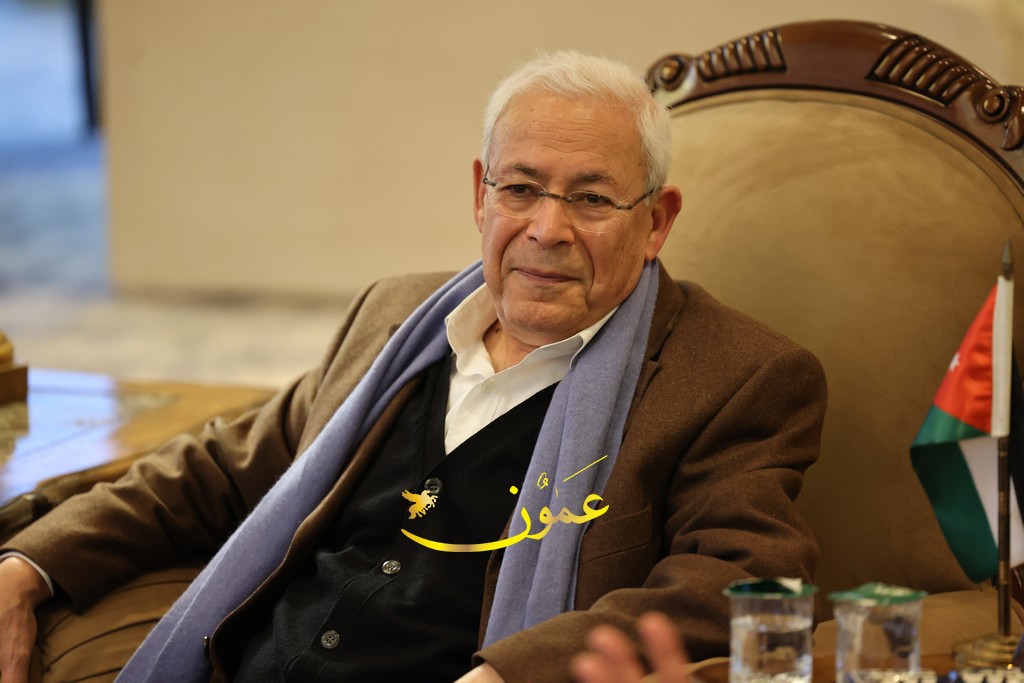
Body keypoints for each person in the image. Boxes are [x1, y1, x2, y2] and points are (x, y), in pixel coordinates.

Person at [0, 51, 826, 683]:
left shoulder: (736, 375)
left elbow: (745, 580)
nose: (547, 229)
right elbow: (217, 469)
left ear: (656, 222)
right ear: (480, 195)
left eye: (591, 198)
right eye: (520, 188)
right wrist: (28, 564)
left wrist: (514, 673)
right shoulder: (394, 316)